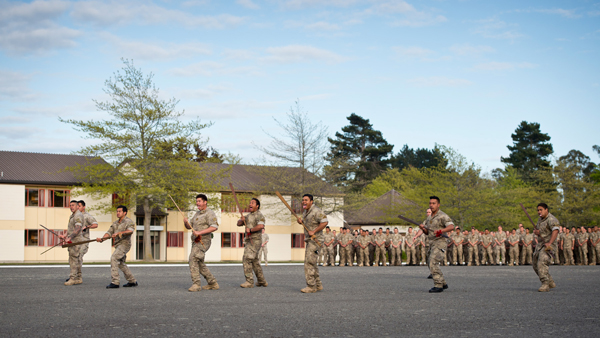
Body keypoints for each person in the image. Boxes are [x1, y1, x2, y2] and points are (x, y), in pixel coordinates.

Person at [183, 194, 219, 292]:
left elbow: (214, 227)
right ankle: (212, 283)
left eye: (199, 201)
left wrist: (200, 232)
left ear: (205, 202)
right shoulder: (197, 214)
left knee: (193, 258)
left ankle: (196, 284)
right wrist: (186, 222)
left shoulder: (209, 213)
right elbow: (189, 226)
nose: (197, 203)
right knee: (199, 263)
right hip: (195, 241)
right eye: (197, 201)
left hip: (204, 241)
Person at [96, 205, 137, 289]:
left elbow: (130, 231)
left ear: (124, 212)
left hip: (125, 244)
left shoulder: (129, 221)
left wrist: (120, 233)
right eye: (117, 211)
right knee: (121, 264)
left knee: (114, 258)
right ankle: (132, 281)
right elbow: (109, 232)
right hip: (118, 245)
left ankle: (115, 282)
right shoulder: (115, 223)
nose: (117, 213)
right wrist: (102, 239)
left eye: (119, 211)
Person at [418, 196, 454, 293]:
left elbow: (451, 226)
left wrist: (441, 230)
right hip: (431, 243)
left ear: (438, 205)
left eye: (434, 203)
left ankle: (438, 285)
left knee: (433, 261)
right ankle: (443, 282)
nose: (431, 205)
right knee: (430, 262)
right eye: (430, 203)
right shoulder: (429, 218)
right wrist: (423, 228)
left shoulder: (443, 216)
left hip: (440, 242)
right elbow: (427, 232)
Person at [297, 194, 328, 293]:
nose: (304, 202)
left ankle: (311, 286)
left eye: (306, 200)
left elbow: (324, 222)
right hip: (309, 240)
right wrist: (301, 222)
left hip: (316, 240)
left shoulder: (317, 211)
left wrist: (314, 231)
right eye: (303, 200)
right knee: (313, 262)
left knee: (308, 262)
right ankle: (318, 284)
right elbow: (310, 223)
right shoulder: (306, 212)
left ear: (311, 201)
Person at [237, 198, 267, 288]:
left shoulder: (259, 215)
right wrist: (242, 220)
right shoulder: (248, 216)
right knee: (255, 262)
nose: (250, 204)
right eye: (250, 203)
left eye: (252, 203)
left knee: (247, 258)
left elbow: (261, 226)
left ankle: (249, 281)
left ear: (257, 206)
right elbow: (238, 224)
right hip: (248, 240)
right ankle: (262, 281)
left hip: (255, 241)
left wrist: (250, 230)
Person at [533, 203, 560, 292]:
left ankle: (545, 284)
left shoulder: (552, 219)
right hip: (540, 245)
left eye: (541, 210)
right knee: (535, 265)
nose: (539, 212)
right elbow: (540, 231)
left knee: (542, 263)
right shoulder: (540, 220)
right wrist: (537, 232)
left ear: (546, 210)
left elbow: (555, 231)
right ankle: (550, 281)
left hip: (548, 246)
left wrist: (550, 243)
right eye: (538, 210)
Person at [61, 200, 86, 286]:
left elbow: (78, 228)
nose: (71, 207)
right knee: (77, 260)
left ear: (77, 206)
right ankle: (78, 278)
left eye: (73, 205)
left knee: (73, 260)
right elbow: (71, 229)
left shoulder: (78, 215)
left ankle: (72, 278)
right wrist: (65, 235)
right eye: (70, 205)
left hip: (76, 241)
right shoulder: (73, 215)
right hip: (73, 240)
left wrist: (70, 237)